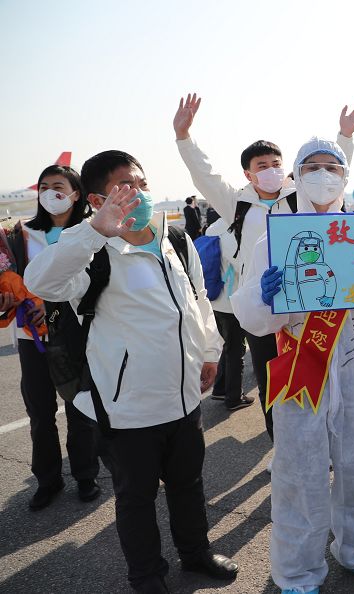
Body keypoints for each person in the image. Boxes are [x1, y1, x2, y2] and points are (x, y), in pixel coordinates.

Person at [24, 150, 236, 593]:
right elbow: (40, 282)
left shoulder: (174, 238)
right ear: (97, 199)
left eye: (141, 183)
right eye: (125, 187)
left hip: (184, 396)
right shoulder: (91, 251)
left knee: (188, 483)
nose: (138, 193)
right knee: (136, 497)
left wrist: (210, 352)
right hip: (127, 407)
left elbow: (198, 301)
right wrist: (93, 232)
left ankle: (195, 553)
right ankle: (146, 575)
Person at [230, 137, 354, 594]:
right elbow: (252, 316)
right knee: (300, 471)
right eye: (312, 167)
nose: (323, 175)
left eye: (333, 167)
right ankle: (297, 571)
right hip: (301, 364)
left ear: (346, 176)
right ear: (297, 174)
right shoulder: (274, 237)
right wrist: (264, 297)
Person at [174, 93, 354, 443]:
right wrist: (184, 138)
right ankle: (282, 445)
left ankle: (320, 441)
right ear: (248, 173)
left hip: (304, 303)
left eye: (276, 163)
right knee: (271, 378)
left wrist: (345, 137)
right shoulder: (236, 203)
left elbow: (330, 173)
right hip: (262, 302)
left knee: (315, 376)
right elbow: (205, 175)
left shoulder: (300, 196)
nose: (271, 170)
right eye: (261, 166)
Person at [1, 165, 101, 510]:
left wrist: (53, 304)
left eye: (58, 186)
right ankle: (48, 479)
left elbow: (97, 281)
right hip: (33, 340)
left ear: (76, 193)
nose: (49, 193)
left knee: (80, 407)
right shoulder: (20, 235)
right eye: (44, 187)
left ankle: (86, 474)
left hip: (76, 335)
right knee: (40, 413)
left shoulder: (91, 231)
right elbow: (14, 282)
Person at [204, 216, 253, 411]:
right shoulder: (231, 232)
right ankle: (234, 397)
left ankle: (220, 388)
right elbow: (242, 265)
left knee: (227, 347)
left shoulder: (213, 228)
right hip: (231, 302)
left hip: (216, 299)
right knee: (235, 351)